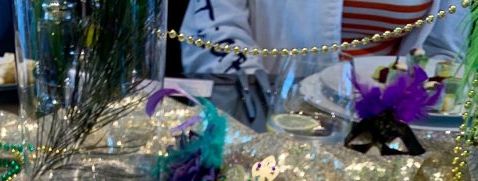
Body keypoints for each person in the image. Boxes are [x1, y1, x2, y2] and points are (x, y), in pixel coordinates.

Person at [181, 0, 470, 77]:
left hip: (392, 132)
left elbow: (444, 51)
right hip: (272, 124)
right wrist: (262, 106)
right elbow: (214, 36)